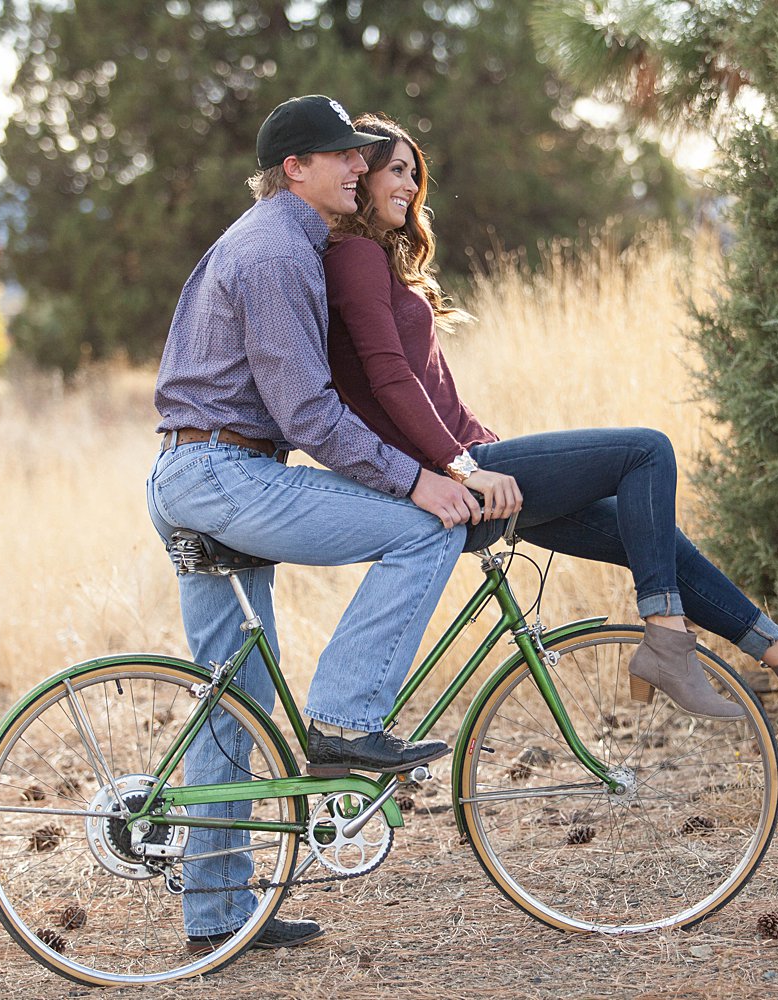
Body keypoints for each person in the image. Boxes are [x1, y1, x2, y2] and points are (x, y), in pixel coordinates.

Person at [322, 113, 778, 723]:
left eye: (415, 175)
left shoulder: (376, 261)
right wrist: (464, 464)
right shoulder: (356, 257)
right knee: (645, 451)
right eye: (396, 171)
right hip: (452, 482)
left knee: (650, 536)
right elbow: (390, 381)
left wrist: (484, 449)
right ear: (358, 173)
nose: (411, 187)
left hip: (472, 468)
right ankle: (666, 637)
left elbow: (433, 388)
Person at [147, 96, 486, 954]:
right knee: (424, 529)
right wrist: (419, 482)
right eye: (341, 156)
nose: (358, 168)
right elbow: (307, 413)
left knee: (235, 698)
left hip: (203, 469)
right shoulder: (273, 252)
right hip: (223, 473)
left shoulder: (281, 241)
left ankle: (219, 917)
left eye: (361, 156)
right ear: (293, 168)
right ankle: (342, 719)